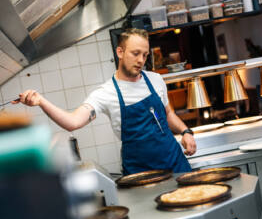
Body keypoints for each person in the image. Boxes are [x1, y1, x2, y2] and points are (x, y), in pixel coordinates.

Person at [13, 28, 196, 175]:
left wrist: (185, 131)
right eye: (135, 53)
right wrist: (42, 101)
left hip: (176, 165)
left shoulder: (156, 80)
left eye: (145, 55)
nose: (141, 60)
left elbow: (169, 114)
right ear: (120, 52)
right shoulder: (106, 93)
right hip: (141, 176)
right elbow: (73, 122)